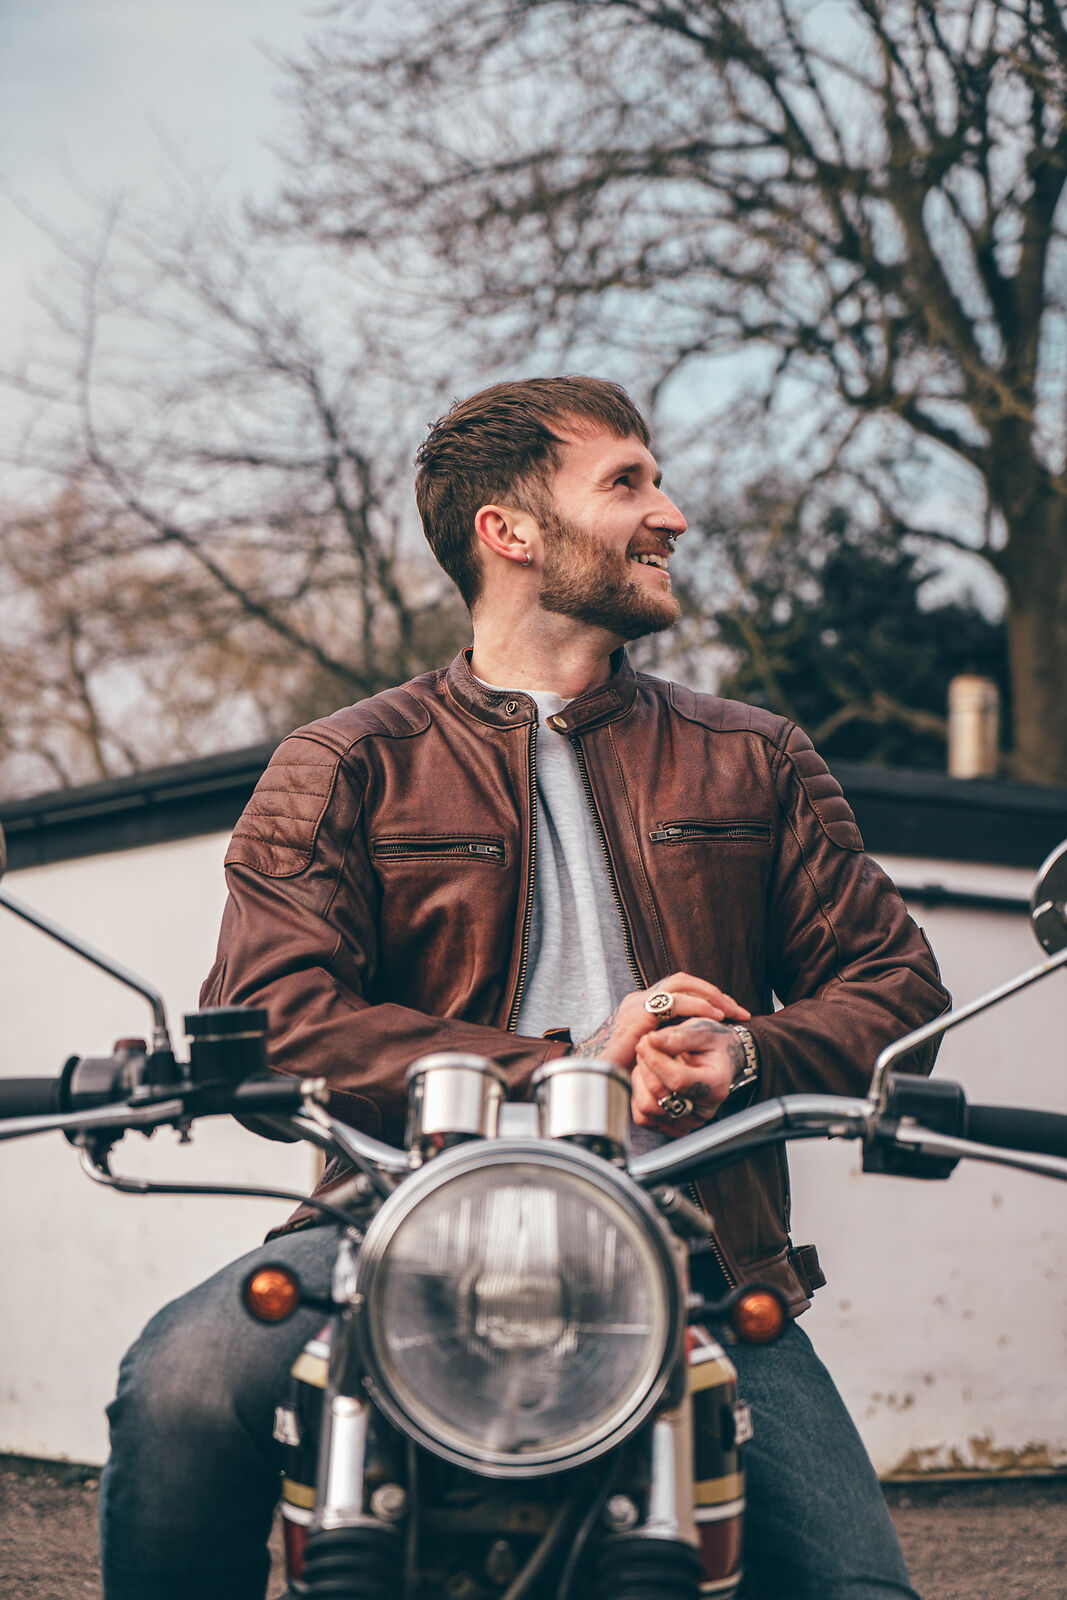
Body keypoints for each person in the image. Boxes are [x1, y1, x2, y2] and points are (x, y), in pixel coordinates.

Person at [100, 376, 948, 1600]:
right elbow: (276, 1014)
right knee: (179, 1382)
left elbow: (893, 983)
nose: (671, 514)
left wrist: (743, 1054)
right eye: (627, 483)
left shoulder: (751, 755)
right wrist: (562, 1071)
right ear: (509, 530)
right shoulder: (343, 764)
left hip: (692, 1253)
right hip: (390, 1233)